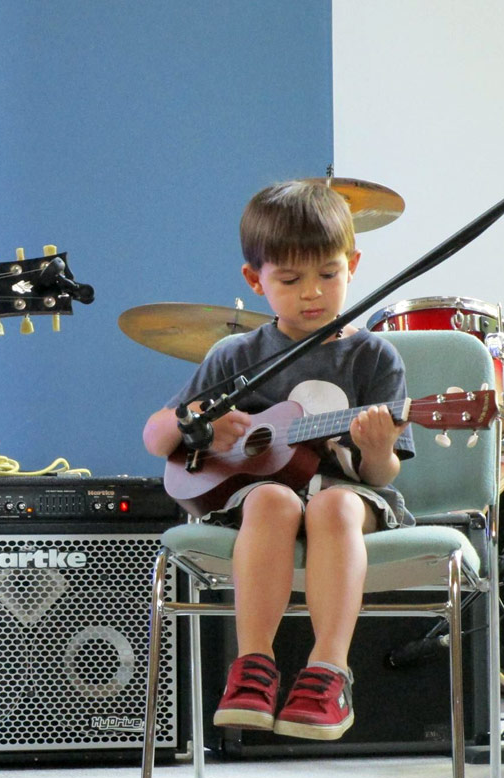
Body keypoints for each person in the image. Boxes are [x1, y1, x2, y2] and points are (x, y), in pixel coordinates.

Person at [142, 180, 415, 741]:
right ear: (255, 280)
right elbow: (155, 435)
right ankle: (254, 668)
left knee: (334, 506)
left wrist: (378, 446)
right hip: (256, 501)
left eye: (328, 275)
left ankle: (328, 672)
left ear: (353, 265)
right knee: (270, 496)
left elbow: (381, 476)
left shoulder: (372, 356)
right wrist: (205, 428)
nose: (312, 292)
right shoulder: (236, 354)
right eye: (290, 280)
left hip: (348, 495)